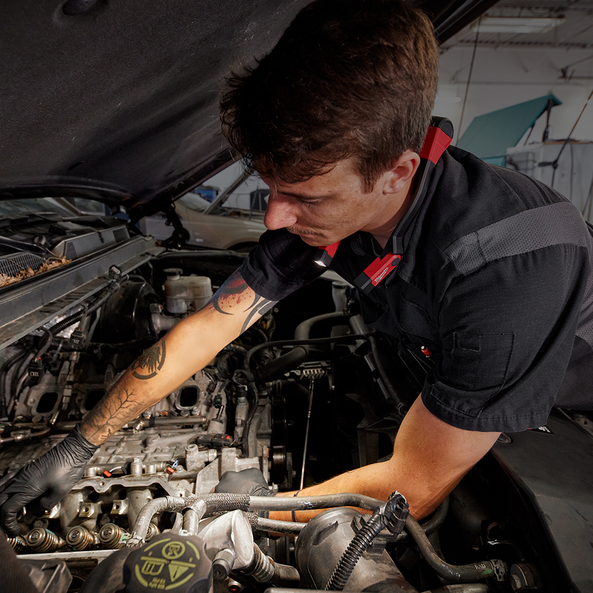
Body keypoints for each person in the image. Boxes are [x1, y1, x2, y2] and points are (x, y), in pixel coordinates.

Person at [1, 0, 593, 535]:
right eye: (270, 189)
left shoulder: (508, 270)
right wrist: (77, 447)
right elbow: (213, 325)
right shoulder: (338, 206)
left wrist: (217, 517)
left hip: (569, 411)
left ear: (398, 172)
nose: (277, 219)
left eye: (306, 198)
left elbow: (412, 487)